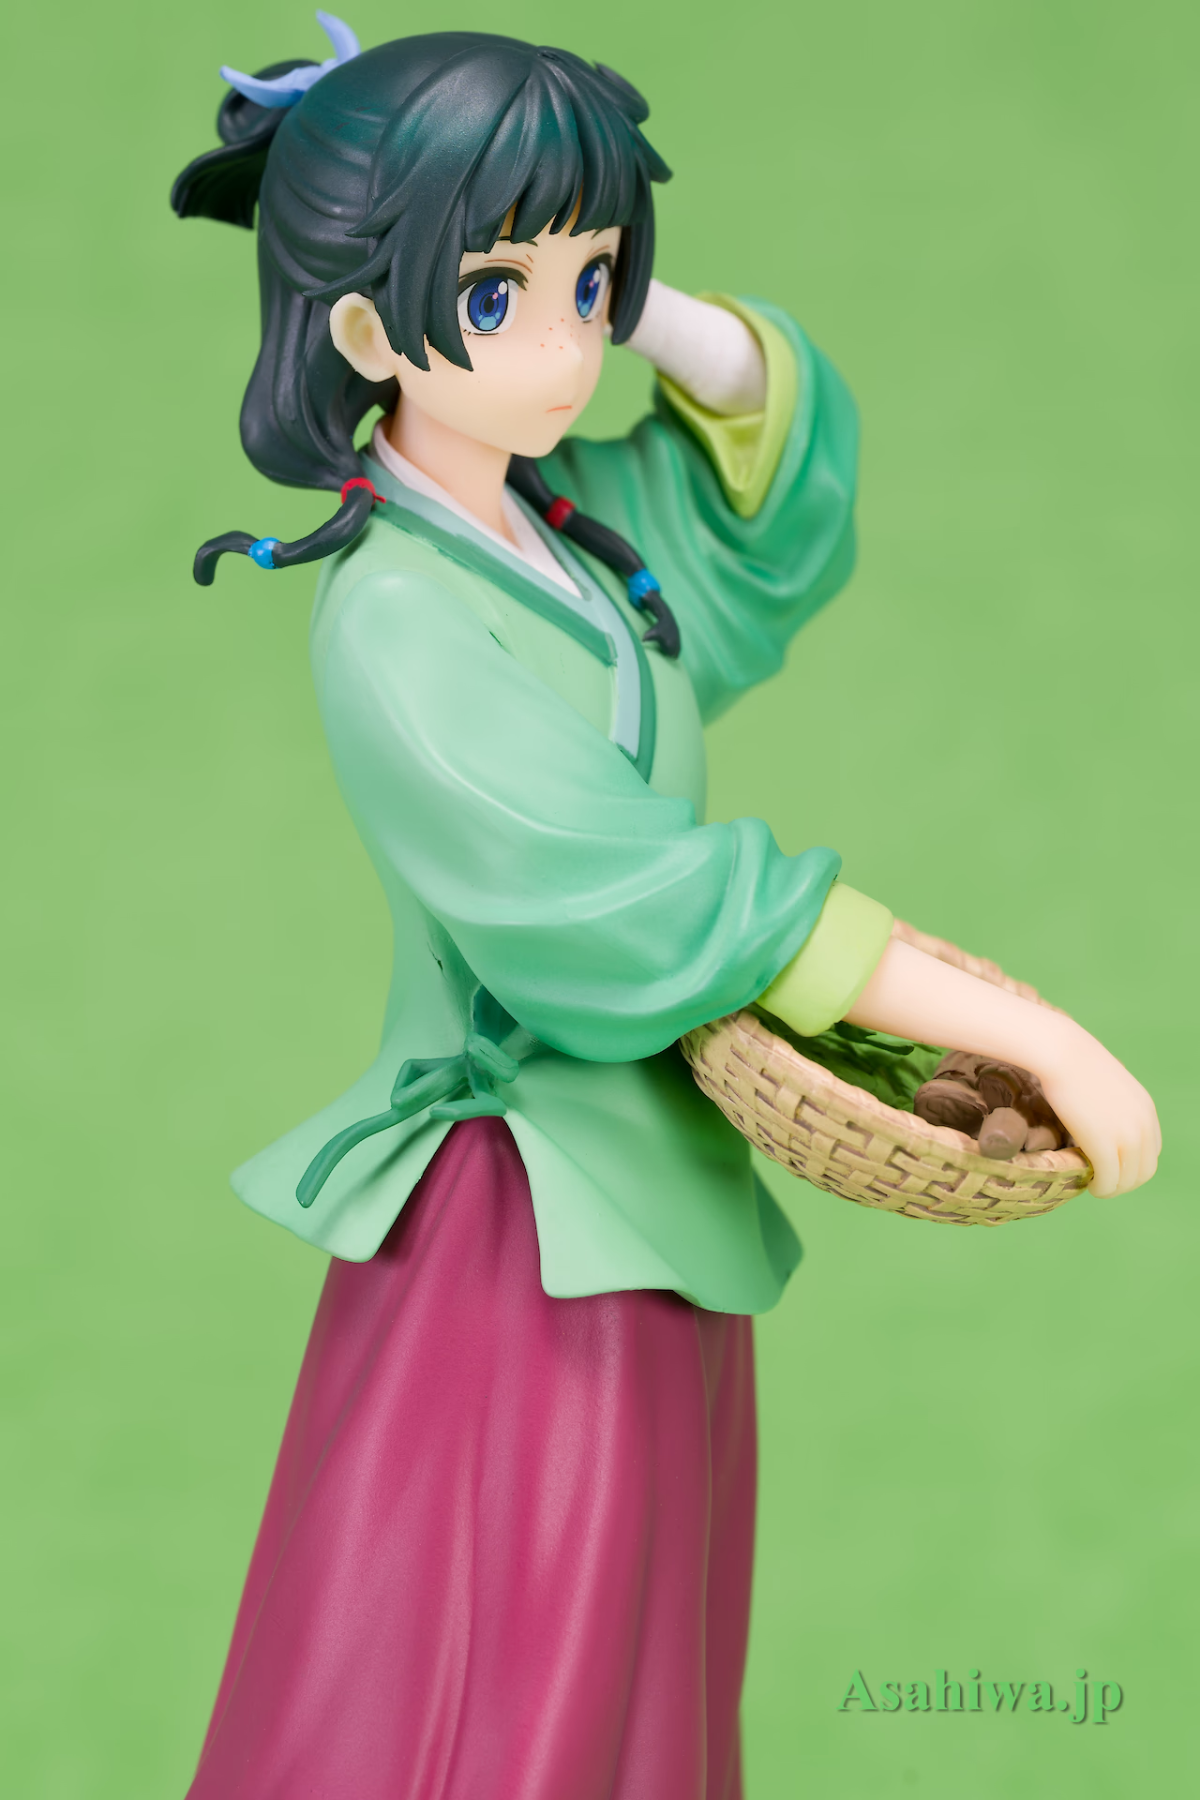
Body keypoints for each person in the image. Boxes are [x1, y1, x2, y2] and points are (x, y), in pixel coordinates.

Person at [171, 19, 1159, 1797]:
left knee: (649, 1699)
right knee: (511, 1700)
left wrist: (639, 302)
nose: (562, 343)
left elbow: (768, 526)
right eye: (495, 295)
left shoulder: (576, 535)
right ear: (369, 333)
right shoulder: (397, 618)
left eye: (590, 281)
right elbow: (631, 900)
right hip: (521, 1239)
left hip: (651, 1212)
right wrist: (1022, 1030)